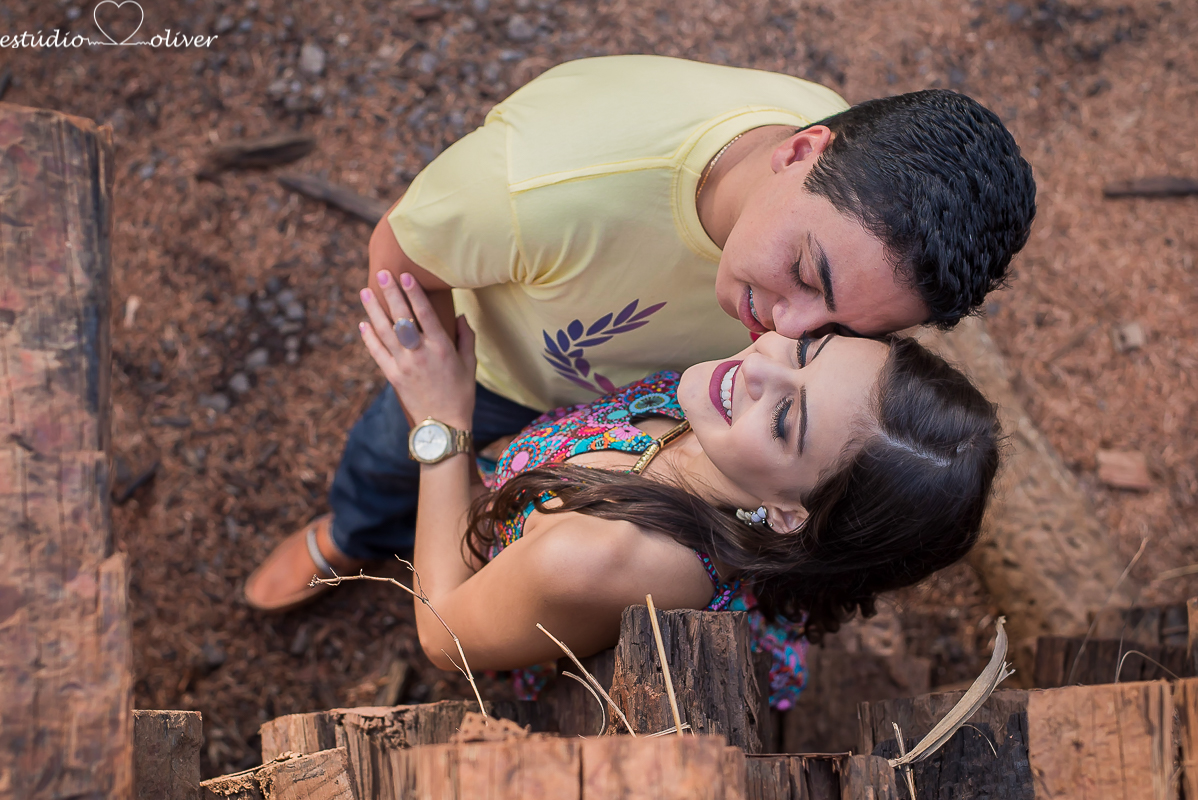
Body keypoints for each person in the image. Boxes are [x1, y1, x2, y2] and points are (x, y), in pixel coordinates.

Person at [244, 55, 1033, 612]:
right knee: (392, 458)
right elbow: (401, 257)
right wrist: (439, 393)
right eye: (805, 275)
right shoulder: (542, 187)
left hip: (671, 421)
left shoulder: (840, 231)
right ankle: (356, 532)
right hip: (502, 373)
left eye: (839, 331)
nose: (776, 330)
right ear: (799, 150)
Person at [347, 272, 1000, 708]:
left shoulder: (611, 558)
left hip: (504, 600)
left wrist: (442, 426)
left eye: (784, 420)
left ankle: (344, 543)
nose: (758, 369)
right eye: (808, 353)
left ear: (790, 513)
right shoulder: (727, 417)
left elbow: (442, 638)